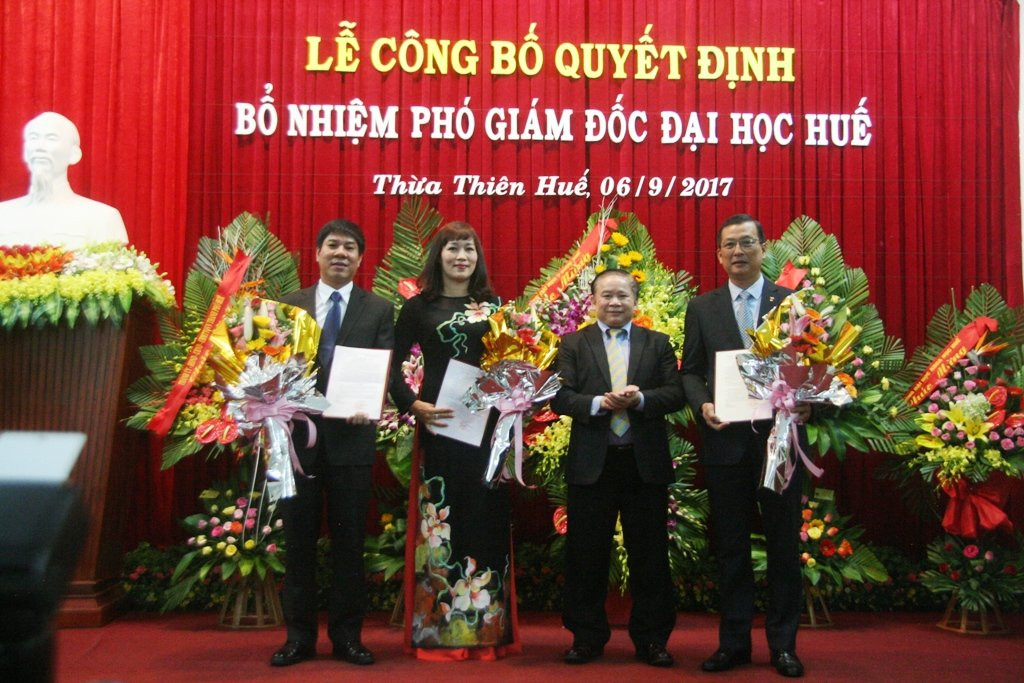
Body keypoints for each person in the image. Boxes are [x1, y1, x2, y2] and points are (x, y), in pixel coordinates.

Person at [680, 214, 808, 678]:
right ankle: (733, 644)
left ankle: (784, 646)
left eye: (747, 242)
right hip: (726, 444)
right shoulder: (702, 307)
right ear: (719, 255)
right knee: (731, 548)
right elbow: (690, 371)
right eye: (730, 244)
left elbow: (810, 365)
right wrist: (704, 403)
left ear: (763, 248)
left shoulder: (791, 303)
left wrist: (807, 401)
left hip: (780, 443)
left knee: (783, 547)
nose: (738, 251)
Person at [389, 221, 519, 660]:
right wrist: (413, 405)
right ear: (438, 256)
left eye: (469, 249)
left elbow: (510, 361)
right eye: (452, 249)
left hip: (486, 431)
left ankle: (487, 632)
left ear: (478, 258)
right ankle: (440, 633)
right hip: (440, 427)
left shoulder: (495, 307)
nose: (461, 256)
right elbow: (391, 365)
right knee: (441, 520)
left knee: (485, 520)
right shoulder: (418, 307)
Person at [271, 219, 394, 667]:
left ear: (360, 259)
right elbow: (271, 361)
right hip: (298, 443)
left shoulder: (377, 309)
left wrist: (371, 401)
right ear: (317, 253)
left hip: (351, 441)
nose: (341, 253)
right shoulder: (289, 305)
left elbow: (384, 366)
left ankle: (347, 638)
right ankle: (298, 639)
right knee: (298, 544)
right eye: (333, 246)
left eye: (350, 248)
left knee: (349, 545)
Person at [550, 268, 684, 668]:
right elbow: (559, 396)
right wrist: (598, 403)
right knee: (586, 555)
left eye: (622, 295)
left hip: (644, 465)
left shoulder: (657, 343)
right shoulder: (574, 343)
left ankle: (652, 639)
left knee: (650, 555)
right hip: (593, 463)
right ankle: (586, 637)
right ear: (592, 301)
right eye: (606, 295)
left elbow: (675, 394)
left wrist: (640, 400)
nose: (614, 302)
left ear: (635, 301)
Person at [0, 112, 129, 248]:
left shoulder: (103, 218)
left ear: (74, 154)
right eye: (33, 138)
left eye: (51, 138)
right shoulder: (4, 214)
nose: (39, 147)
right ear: (25, 153)